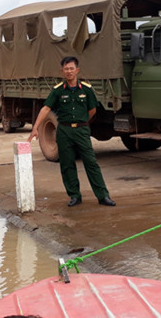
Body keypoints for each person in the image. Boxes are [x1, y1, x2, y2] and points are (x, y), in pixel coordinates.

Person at [27, 56, 116, 207]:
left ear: (77, 70)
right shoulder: (58, 91)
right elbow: (46, 108)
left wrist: (82, 121)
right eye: (66, 69)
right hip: (64, 131)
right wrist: (35, 127)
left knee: (91, 163)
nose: (69, 71)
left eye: (71, 68)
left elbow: (92, 110)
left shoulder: (87, 89)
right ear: (62, 71)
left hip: (81, 131)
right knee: (67, 165)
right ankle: (74, 195)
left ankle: (103, 196)